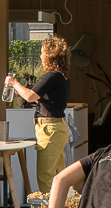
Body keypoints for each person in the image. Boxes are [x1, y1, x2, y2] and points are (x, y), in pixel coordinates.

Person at [6, 35, 73, 197]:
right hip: (57, 128)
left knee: (45, 176)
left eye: (42, 52)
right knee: (58, 175)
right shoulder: (61, 76)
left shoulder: (51, 76)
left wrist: (14, 83)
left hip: (50, 129)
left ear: (50, 56)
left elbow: (30, 96)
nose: (40, 56)